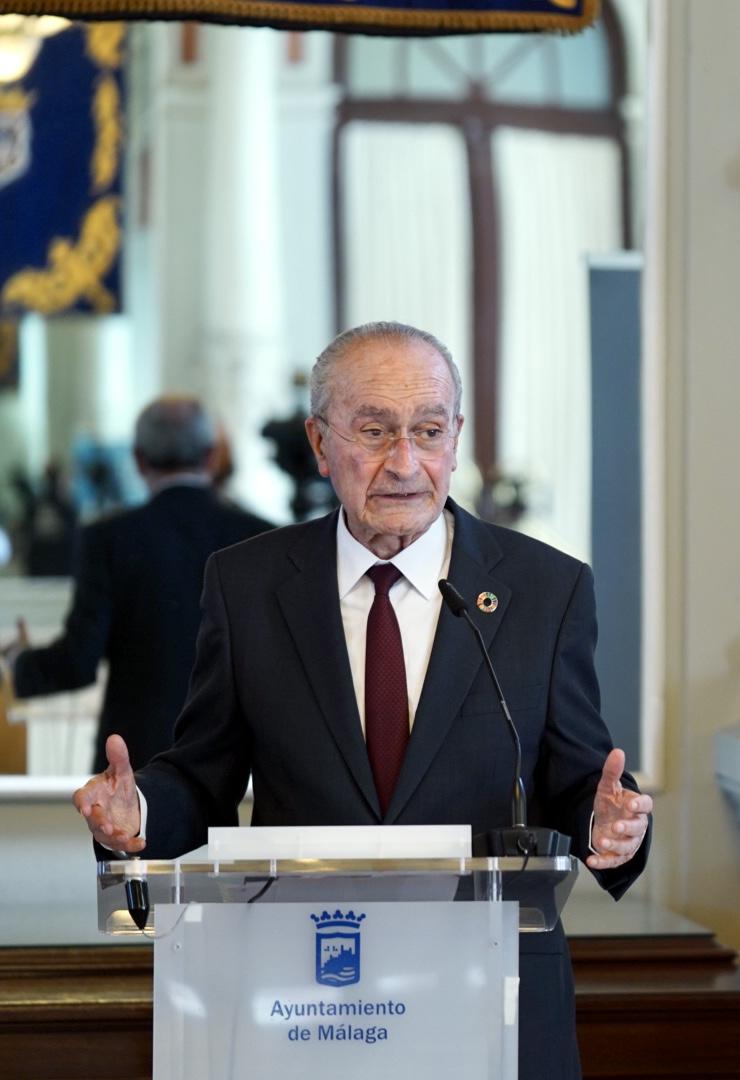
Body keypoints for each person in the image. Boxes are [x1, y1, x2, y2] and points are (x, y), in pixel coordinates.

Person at [71, 322, 651, 1080]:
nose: (404, 463)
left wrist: (608, 826)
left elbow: (578, 778)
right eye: (374, 431)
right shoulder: (247, 585)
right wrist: (140, 812)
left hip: (490, 993)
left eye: (428, 431)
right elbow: (204, 772)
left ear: (456, 437)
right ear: (320, 442)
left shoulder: (546, 588)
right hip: (307, 994)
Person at [1, 397, 272, 772]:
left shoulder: (108, 539)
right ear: (211, 456)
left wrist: (19, 664)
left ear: (138, 459)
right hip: (239, 762)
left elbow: (79, 660)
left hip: (136, 763)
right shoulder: (262, 536)